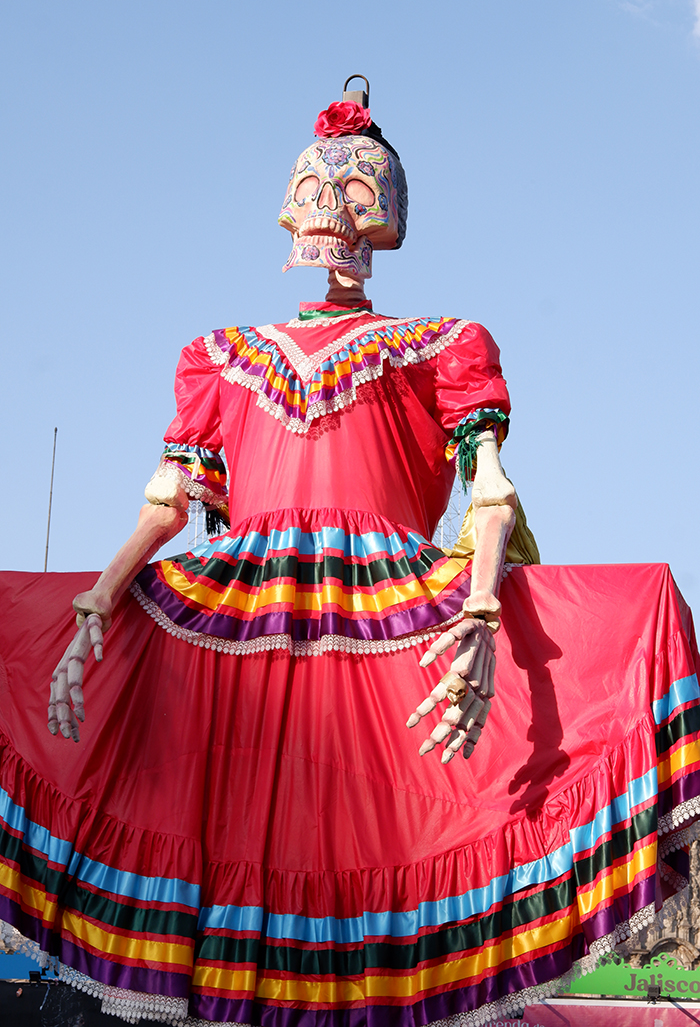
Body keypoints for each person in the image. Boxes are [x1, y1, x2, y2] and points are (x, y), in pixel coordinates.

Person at [0, 82, 698, 1027]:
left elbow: (489, 489)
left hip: (385, 617)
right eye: (319, 189)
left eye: (352, 193)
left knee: (384, 838)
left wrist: (484, 611)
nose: (330, 210)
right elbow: (168, 500)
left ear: (381, 218)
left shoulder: (441, 343)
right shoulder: (221, 353)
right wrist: (95, 603)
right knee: (254, 842)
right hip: (244, 619)